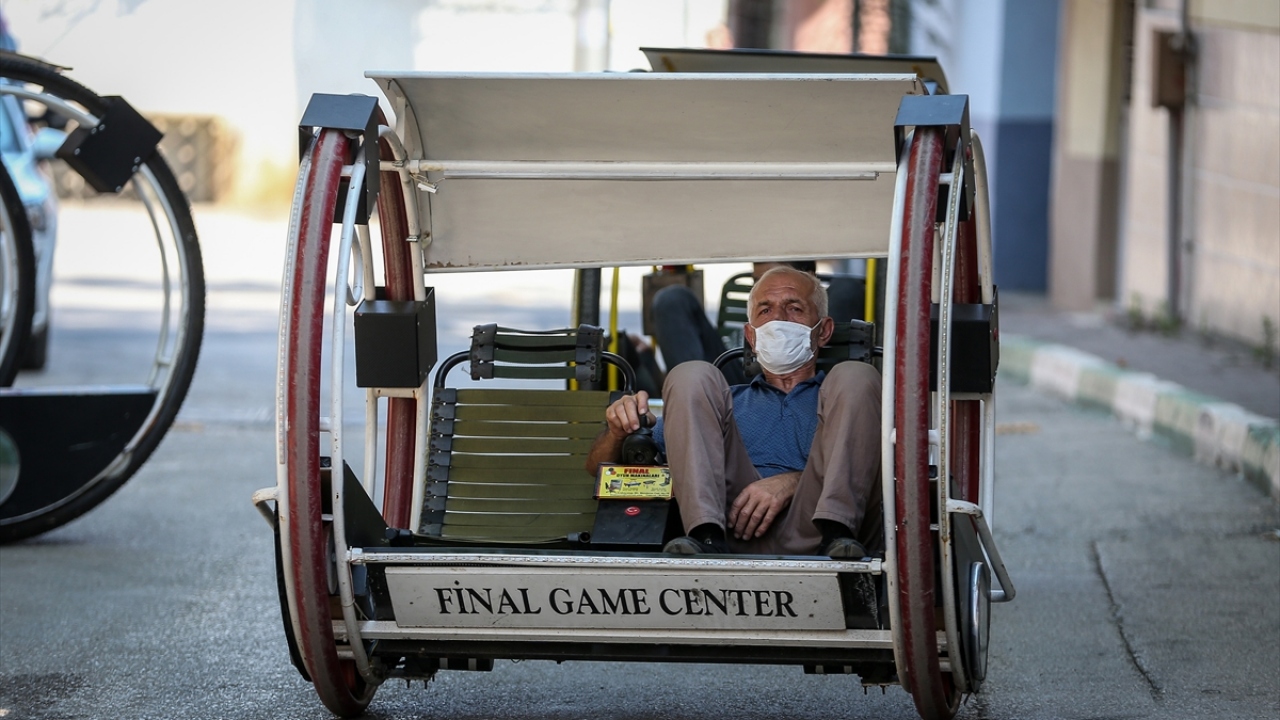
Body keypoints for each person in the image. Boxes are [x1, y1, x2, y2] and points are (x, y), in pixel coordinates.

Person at [586, 266, 882, 558]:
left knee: (857, 375)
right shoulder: (723, 403)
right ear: (751, 336)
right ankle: (705, 536)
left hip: (822, 534)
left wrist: (792, 481)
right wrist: (617, 431)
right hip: (730, 528)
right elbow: (597, 470)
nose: (778, 319)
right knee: (692, 374)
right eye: (765, 311)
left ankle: (837, 533)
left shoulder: (848, 402)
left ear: (824, 331)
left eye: (794, 309)